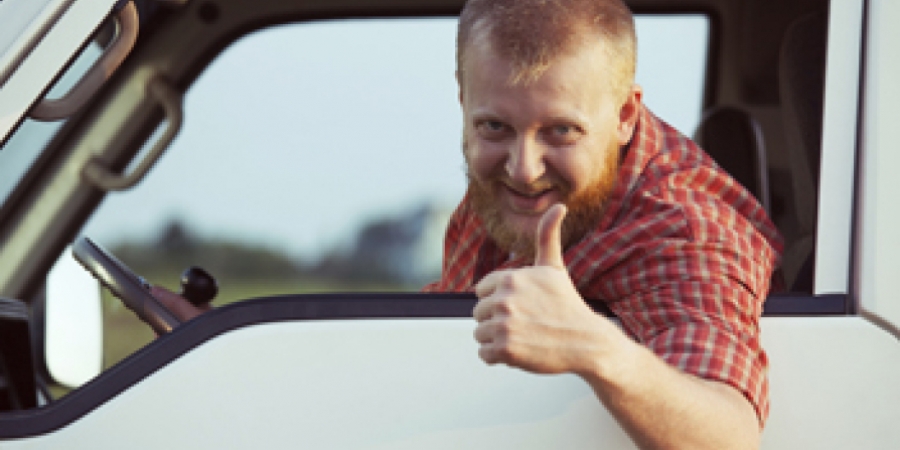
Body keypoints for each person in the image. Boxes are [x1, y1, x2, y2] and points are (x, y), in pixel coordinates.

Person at [155, 0, 782, 448]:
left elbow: (728, 436)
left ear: (624, 115)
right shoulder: (507, 194)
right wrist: (230, 353)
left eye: (559, 130)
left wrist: (592, 345)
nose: (524, 168)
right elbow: (430, 352)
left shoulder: (682, 228)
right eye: (494, 127)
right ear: (463, 102)